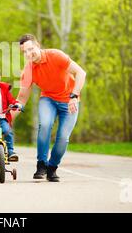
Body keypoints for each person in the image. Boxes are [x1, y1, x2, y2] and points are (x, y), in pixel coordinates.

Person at [12, 34, 86, 182]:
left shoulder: (56, 55)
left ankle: (52, 168)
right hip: (48, 99)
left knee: (63, 138)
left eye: (30, 49)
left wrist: (74, 95)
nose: (28, 54)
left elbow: (81, 73)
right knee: (45, 125)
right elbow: (21, 99)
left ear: (38, 45)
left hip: (69, 100)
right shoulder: (28, 70)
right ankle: (41, 165)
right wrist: (8, 119)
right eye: (24, 52)